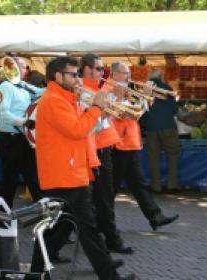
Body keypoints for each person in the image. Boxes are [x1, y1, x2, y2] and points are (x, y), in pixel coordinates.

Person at [32, 56, 135, 280]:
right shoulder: (53, 100)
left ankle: (35, 273)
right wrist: (97, 106)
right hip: (64, 175)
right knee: (73, 230)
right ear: (58, 76)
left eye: (78, 74)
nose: (77, 78)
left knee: (73, 230)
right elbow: (78, 129)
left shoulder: (65, 98)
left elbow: (84, 129)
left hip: (72, 173)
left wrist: (92, 107)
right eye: (73, 74)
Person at [110, 62, 179, 231]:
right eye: (125, 73)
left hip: (130, 144)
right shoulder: (111, 91)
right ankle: (102, 222)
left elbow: (137, 113)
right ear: (114, 74)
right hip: (118, 145)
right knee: (110, 188)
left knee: (139, 185)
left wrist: (144, 99)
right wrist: (144, 98)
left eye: (129, 73)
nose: (129, 77)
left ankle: (156, 217)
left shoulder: (126, 90)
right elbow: (129, 113)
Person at [80, 53, 133, 254]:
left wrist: (118, 104)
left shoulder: (97, 89)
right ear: (87, 69)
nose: (104, 73)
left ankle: (105, 236)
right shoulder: (86, 90)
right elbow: (90, 123)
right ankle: (110, 239)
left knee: (99, 198)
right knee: (100, 198)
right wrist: (105, 113)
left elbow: (114, 117)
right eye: (100, 69)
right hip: (95, 148)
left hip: (104, 147)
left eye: (104, 70)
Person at [0, 57, 44, 207]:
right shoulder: (5, 86)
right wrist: (24, 122)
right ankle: (3, 216)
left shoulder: (23, 85)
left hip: (22, 138)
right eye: (24, 67)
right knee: (10, 180)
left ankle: (45, 214)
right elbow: (2, 114)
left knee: (33, 177)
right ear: (14, 68)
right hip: (10, 139)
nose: (26, 70)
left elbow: (40, 92)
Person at [141, 68, 180, 193]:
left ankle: (156, 186)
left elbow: (141, 111)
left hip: (151, 128)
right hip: (168, 127)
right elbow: (175, 110)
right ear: (162, 76)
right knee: (172, 156)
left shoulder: (144, 89)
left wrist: (145, 123)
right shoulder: (167, 88)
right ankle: (172, 185)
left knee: (154, 157)